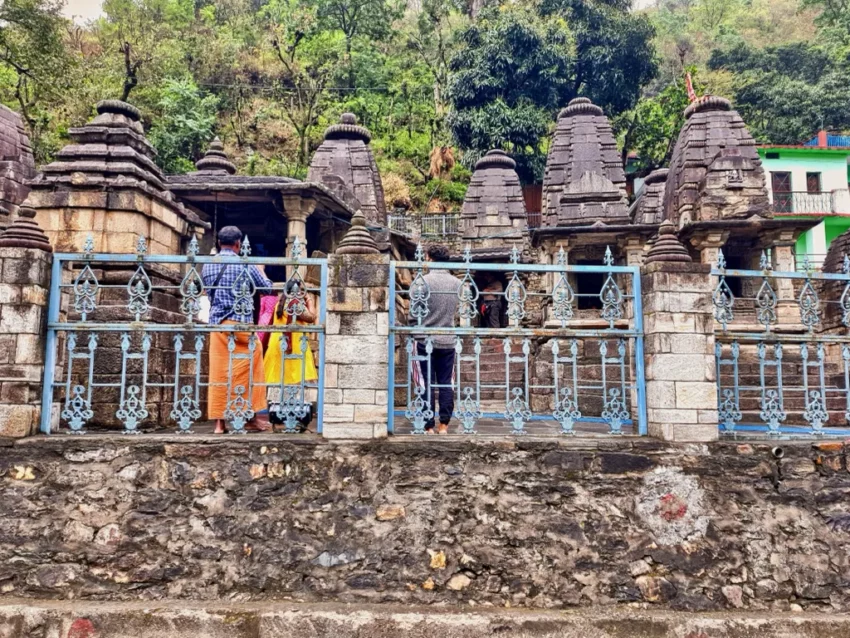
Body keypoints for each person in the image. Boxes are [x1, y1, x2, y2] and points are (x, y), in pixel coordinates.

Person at [202, 226, 274, 434]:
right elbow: (266, 288)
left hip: (218, 324)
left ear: (218, 243)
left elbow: (207, 292)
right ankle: (250, 416)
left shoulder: (208, 265)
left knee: (219, 371)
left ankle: (219, 424)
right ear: (238, 244)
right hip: (241, 322)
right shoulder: (245, 265)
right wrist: (261, 270)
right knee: (250, 366)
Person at [414, 244, 461, 434]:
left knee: (425, 383)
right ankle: (444, 425)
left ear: (429, 258)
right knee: (445, 382)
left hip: (425, 339)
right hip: (448, 339)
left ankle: (428, 426)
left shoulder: (422, 282)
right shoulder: (457, 283)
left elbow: (414, 313)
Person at [263, 279, 318, 431]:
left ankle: (277, 419)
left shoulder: (279, 304)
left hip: (278, 344)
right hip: (292, 345)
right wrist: (309, 300)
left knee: (279, 381)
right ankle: (295, 419)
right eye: (299, 290)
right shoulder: (296, 304)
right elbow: (312, 317)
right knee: (295, 383)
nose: (300, 293)